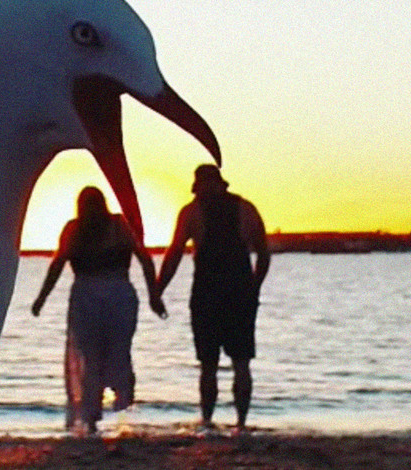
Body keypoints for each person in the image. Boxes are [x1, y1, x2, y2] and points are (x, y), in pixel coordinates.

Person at [31, 186, 166, 434]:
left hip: (101, 296)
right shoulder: (106, 227)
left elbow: (58, 264)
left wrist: (154, 296)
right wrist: (153, 296)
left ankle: (97, 413)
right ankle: (104, 406)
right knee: (105, 353)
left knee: (96, 356)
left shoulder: (104, 227)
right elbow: (144, 259)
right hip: (108, 296)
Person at [157, 165, 270, 433]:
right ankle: (218, 422)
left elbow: (174, 254)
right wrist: (157, 290)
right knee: (220, 363)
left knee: (228, 363)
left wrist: (254, 288)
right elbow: (263, 253)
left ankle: (230, 422)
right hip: (227, 292)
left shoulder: (196, 212)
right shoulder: (243, 209)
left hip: (217, 292)